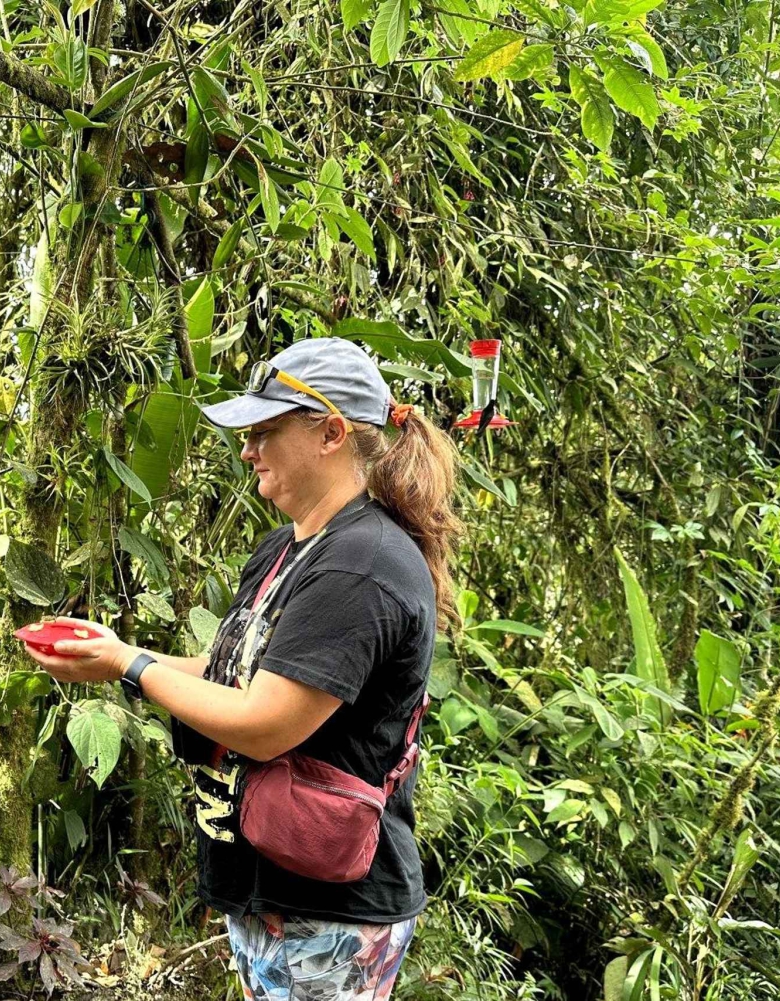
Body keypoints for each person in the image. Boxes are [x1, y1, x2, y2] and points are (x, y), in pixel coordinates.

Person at [24, 337, 463, 1000]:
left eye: (265, 432)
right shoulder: (289, 546)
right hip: (272, 887)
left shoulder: (362, 561)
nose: (247, 449)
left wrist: (129, 664)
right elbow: (234, 670)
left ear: (332, 434)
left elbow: (264, 722)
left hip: (326, 909)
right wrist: (111, 657)